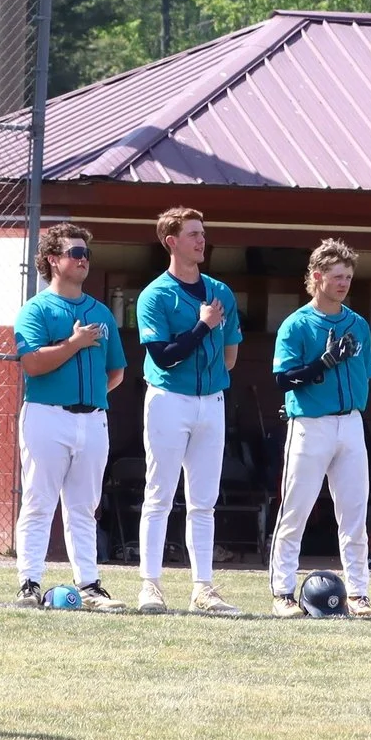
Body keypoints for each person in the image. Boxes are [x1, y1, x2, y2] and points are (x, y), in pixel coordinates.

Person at [135, 207, 244, 616]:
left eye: (203, 232)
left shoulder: (221, 292)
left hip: (211, 401)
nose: (201, 240)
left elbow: (231, 355)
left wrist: (209, 339)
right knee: (159, 493)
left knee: (204, 500)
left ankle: (203, 588)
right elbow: (163, 357)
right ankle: (151, 584)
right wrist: (201, 327)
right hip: (168, 399)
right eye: (193, 234)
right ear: (172, 242)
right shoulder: (155, 295)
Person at [12, 222, 126, 609]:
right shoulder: (37, 308)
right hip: (47, 415)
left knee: (84, 506)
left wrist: (90, 399)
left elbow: (116, 372)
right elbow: (32, 363)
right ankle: (29, 581)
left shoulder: (100, 312)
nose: (83, 260)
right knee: (39, 501)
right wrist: (74, 343)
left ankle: (90, 584)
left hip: (92, 418)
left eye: (85, 254)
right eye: (74, 253)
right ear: (51, 260)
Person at [268, 238, 371, 619]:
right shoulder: (297, 323)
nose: (344, 282)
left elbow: (368, 374)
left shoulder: (357, 323)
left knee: (355, 513)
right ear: (317, 277)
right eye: (336, 276)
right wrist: (322, 364)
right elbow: (283, 378)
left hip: (350, 422)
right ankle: (282, 591)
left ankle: (359, 593)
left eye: (348, 276)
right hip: (310, 424)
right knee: (295, 510)